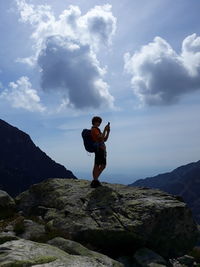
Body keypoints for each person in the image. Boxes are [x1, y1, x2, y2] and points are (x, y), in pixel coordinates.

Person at [90, 116, 110, 188]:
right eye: (97, 121)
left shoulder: (97, 130)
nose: (99, 123)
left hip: (101, 150)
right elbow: (101, 138)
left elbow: (104, 139)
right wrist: (105, 130)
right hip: (99, 150)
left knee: (97, 165)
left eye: (99, 122)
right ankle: (95, 180)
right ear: (94, 122)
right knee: (102, 165)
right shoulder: (94, 130)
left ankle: (95, 180)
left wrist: (108, 132)